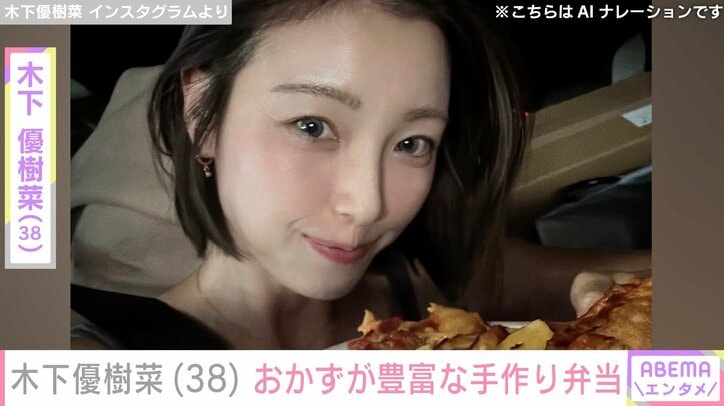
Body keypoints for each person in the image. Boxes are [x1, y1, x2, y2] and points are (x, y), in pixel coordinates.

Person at [70, 0, 650, 350]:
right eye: (312, 126)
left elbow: (620, 278)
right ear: (203, 113)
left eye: (411, 143)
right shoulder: (104, 356)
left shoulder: (424, 280)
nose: (369, 205)